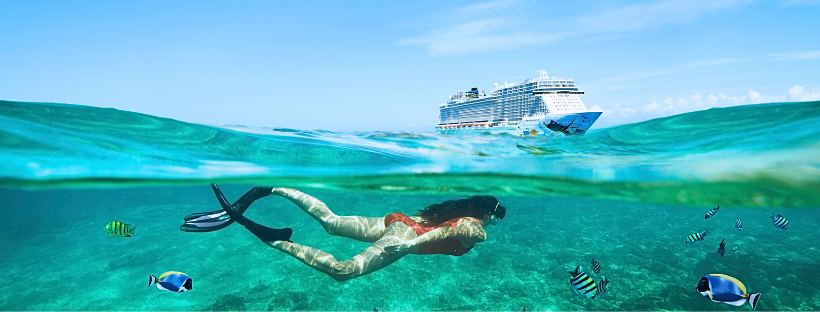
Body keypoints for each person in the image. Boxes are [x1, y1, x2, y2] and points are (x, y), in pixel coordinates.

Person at [181, 184, 506, 282]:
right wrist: (411, 245)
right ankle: (276, 240)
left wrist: (410, 234)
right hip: (405, 238)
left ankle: (275, 189)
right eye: (495, 217)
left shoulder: (452, 210)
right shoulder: (476, 229)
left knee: (332, 223)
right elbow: (447, 232)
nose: (494, 222)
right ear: (486, 214)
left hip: (398, 221)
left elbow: (439, 223)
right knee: (343, 271)